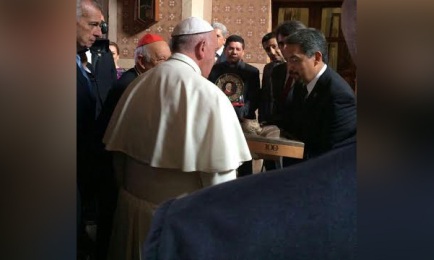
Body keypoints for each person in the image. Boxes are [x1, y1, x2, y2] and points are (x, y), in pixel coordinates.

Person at [103, 17, 251, 260]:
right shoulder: (210, 96)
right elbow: (220, 184)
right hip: (178, 225)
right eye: (215, 52)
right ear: (202, 48)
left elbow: (118, 157)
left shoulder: (138, 84)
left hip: (131, 216)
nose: (215, 59)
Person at [282, 28, 356, 160]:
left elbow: (333, 153)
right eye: (287, 60)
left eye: (295, 60)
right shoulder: (301, 84)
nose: (289, 67)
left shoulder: (339, 96)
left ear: (316, 57)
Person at [97, 33, 171, 140]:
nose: (168, 65)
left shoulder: (146, 78)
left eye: (169, 60)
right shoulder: (128, 85)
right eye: (162, 59)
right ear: (141, 61)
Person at [208, 34, 260, 177]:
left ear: (243, 51)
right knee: (221, 153)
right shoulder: (214, 70)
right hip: (219, 120)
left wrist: (240, 112)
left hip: (243, 121)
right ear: (225, 50)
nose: (234, 52)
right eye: (231, 48)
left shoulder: (252, 72)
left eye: (238, 49)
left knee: (244, 158)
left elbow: (255, 98)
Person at [258, 32, 286, 171]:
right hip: (269, 123)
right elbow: (265, 95)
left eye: (274, 47)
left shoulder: (292, 67)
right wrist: (262, 120)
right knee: (270, 164)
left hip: (286, 126)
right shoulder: (268, 68)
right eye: (267, 49)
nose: (272, 52)